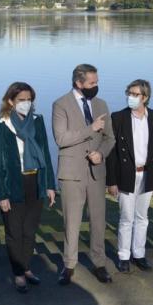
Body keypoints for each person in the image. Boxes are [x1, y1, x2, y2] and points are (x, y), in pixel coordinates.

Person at [0, 82, 57, 293]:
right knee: (14, 232)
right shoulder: (1, 126)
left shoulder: (38, 122)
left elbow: (45, 154)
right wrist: (2, 194)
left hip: (35, 181)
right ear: (11, 101)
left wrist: (49, 185)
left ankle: (26, 267)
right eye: (21, 100)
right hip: (14, 185)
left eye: (29, 100)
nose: (26, 104)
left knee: (29, 231)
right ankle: (18, 273)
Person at [52, 63, 115, 285]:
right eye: (91, 83)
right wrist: (91, 128)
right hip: (72, 173)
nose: (95, 86)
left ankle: (99, 263)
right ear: (78, 83)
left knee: (98, 221)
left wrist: (101, 153)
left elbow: (110, 138)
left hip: (96, 172)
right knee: (72, 222)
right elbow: (61, 139)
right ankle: (69, 265)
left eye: (97, 82)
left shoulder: (101, 104)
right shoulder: (61, 105)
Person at [107, 79, 153, 273]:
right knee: (126, 218)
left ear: (145, 97)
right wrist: (112, 181)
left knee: (142, 217)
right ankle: (123, 256)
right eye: (129, 93)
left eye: (135, 94)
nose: (130, 97)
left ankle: (139, 254)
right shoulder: (118, 118)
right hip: (126, 175)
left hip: (147, 174)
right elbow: (112, 153)